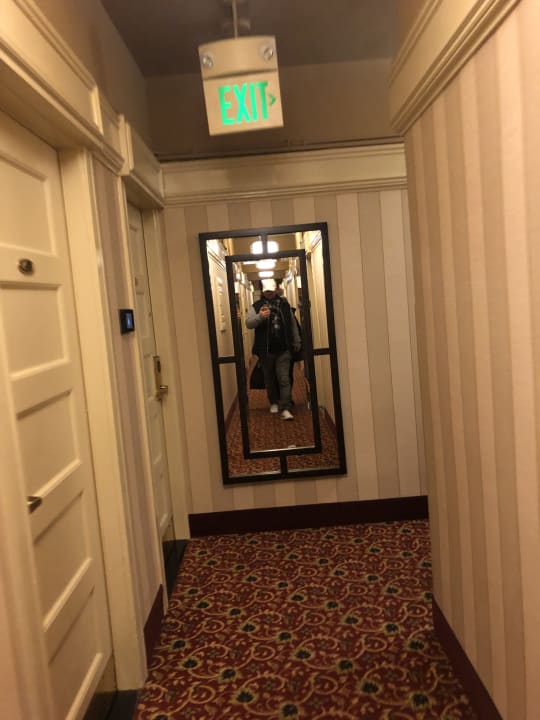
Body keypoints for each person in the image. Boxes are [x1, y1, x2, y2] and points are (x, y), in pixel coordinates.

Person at [246, 278, 301, 420]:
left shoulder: (284, 305)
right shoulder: (257, 306)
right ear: (263, 291)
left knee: (284, 379)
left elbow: (292, 324)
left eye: (271, 291)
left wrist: (296, 341)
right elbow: (248, 323)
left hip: (284, 349)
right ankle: (274, 402)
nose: (269, 293)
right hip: (266, 351)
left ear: (276, 289)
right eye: (267, 291)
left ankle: (286, 407)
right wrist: (260, 317)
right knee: (269, 378)